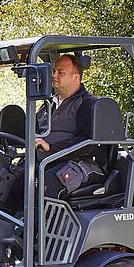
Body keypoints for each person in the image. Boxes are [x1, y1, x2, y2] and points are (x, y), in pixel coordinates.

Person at [36, 53, 104, 196]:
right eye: (53, 71)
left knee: (48, 183)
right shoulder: (48, 105)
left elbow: (87, 142)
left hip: (80, 162)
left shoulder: (87, 104)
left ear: (76, 77)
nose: (54, 75)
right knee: (11, 177)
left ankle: (42, 219)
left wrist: (51, 148)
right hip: (48, 161)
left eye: (60, 72)